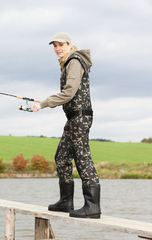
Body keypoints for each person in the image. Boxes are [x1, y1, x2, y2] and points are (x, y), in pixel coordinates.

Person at [32, 32, 101, 219]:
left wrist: (43, 103)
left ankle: (93, 206)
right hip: (73, 118)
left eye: (61, 44)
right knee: (61, 157)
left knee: (82, 158)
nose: (57, 48)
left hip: (80, 117)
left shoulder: (75, 62)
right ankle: (66, 202)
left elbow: (69, 92)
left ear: (70, 45)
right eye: (54, 45)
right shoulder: (68, 63)